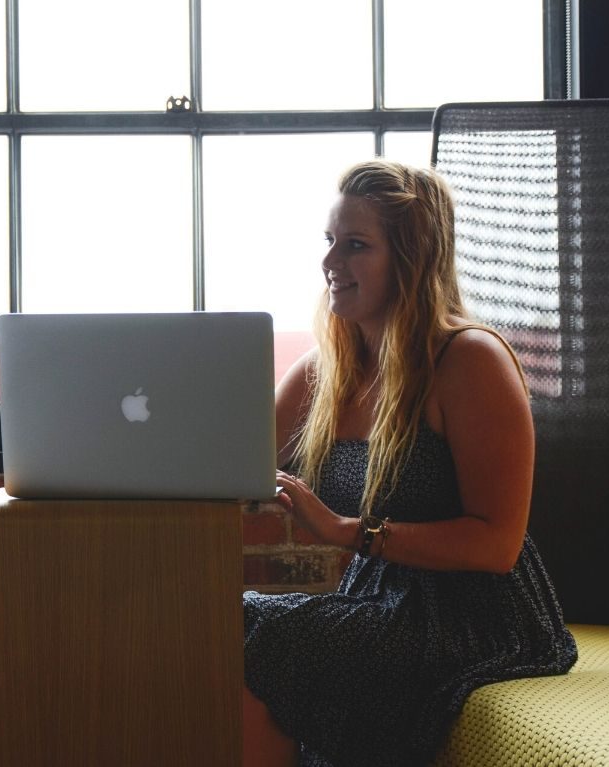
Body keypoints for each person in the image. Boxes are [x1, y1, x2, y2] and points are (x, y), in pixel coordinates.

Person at [243, 160, 577, 767]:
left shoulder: (469, 360)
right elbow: (234, 468)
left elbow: (497, 545)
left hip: (476, 618)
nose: (330, 264)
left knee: (259, 638)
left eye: (356, 246)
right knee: (226, 626)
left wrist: (348, 531)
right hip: (373, 602)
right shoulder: (328, 371)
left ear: (411, 257)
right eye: (330, 243)